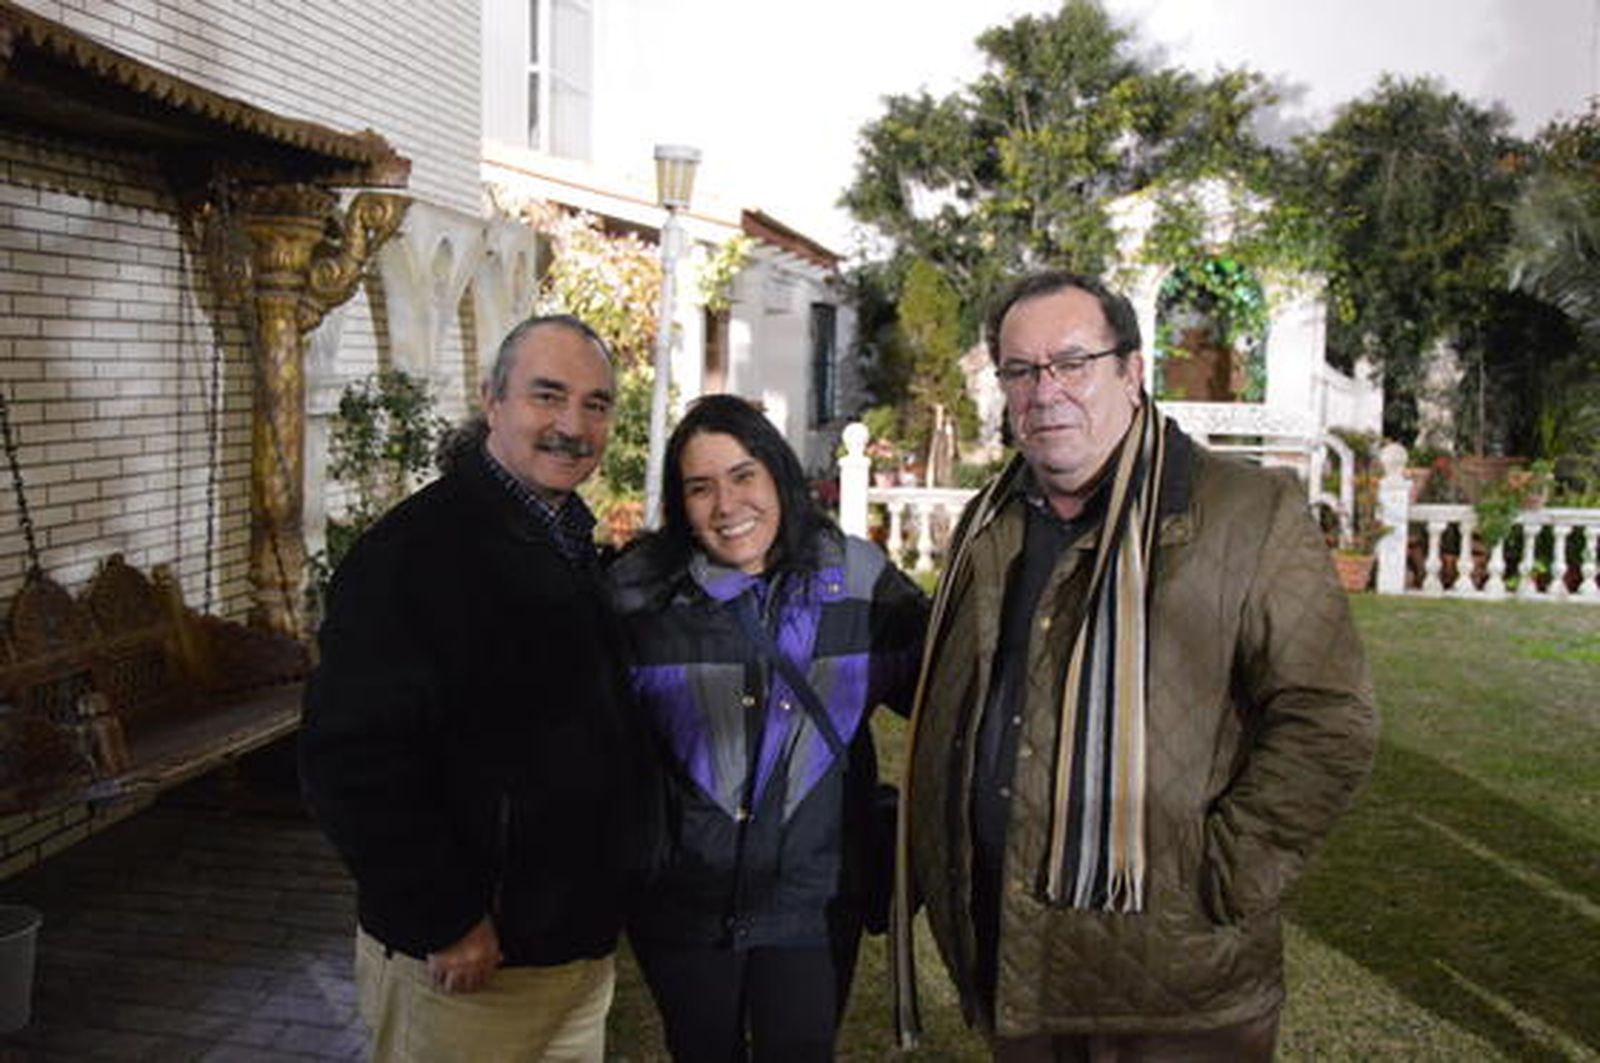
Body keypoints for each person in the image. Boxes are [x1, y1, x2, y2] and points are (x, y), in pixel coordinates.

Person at [893, 271, 1379, 1060]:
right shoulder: (991, 522)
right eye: (1021, 371)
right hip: (1018, 962)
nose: (1045, 391)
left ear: (1133, 370)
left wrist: (1224, 872)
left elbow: (1329, 714)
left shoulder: (1244, 513)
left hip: (1176, 987)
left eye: (1073, 361)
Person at [301, 314, 646, 1062]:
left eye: (595, 403)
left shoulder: (564, 541)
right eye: (547, 396)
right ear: (493, 400)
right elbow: (350, 759)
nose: (572, 425)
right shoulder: (415, 555)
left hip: (569, 959)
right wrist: (444, 915)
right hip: (464, 966)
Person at [608, 394, 927, 1062]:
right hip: (684, 899)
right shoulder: (639, 593)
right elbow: (583, 739)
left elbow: (943, 687)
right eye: (700, 487)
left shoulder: (858, 579)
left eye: (743, 474)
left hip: (812, 896)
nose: (726, 505)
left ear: (778, 473)